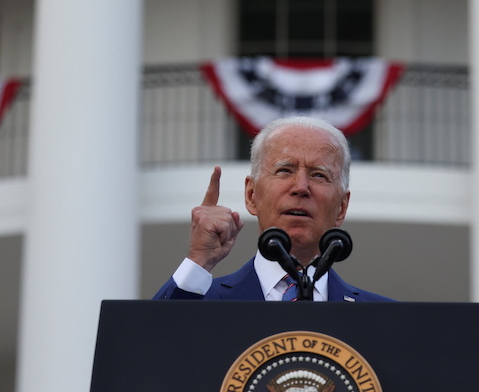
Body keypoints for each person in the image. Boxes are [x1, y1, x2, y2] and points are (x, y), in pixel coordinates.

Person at [152, 116, 393, 302]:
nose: (301, 187)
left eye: (319, 175)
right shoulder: (203, 302)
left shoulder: (382, 318)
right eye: (284, 170)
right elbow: (144, 350)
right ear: (251, 195)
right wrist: (199, 261)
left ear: (341, 207)